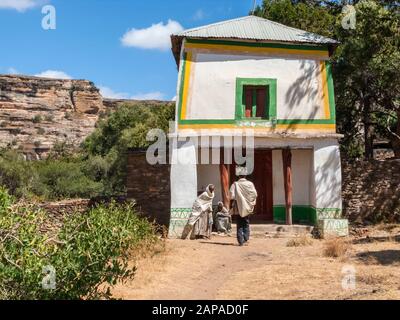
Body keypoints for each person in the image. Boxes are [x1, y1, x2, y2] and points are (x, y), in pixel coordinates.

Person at [230, 168, 258, 246]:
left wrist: (239, 197)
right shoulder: (250, 184)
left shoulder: (235, 184)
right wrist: (248, 200)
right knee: (246, 222)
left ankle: (240, 241)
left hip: (239, 207)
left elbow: (231, 196)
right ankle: (246, 238)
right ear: (245, 175)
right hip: (248, 207)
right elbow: (255, 194)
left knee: (239, 223)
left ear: (238, 176)